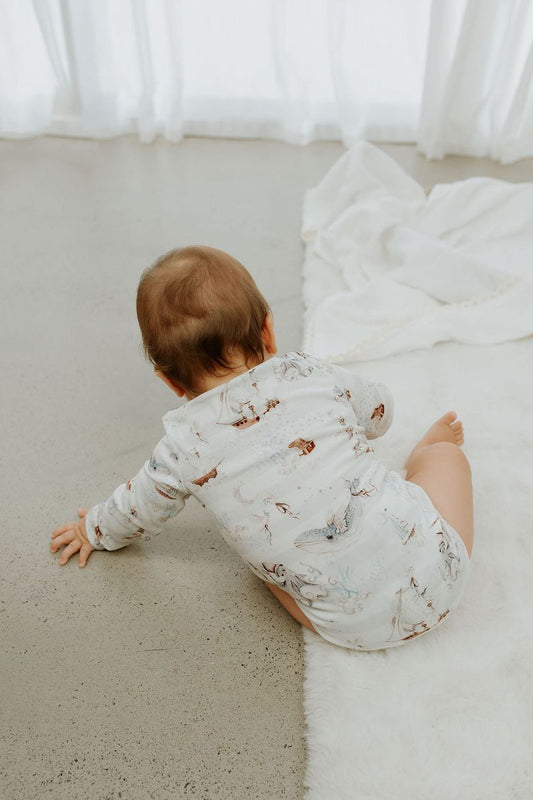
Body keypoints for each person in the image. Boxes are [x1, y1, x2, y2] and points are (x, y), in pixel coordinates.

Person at [50, 245, 473, 651]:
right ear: (268, 331)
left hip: (345, 626)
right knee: (445, 459)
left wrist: (94, 529)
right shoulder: (306, 373)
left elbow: (137, 508)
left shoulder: (180, 449)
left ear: (170, 381)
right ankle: (429, 454)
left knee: (270, 574)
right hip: (442, 572)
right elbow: (379, 414)